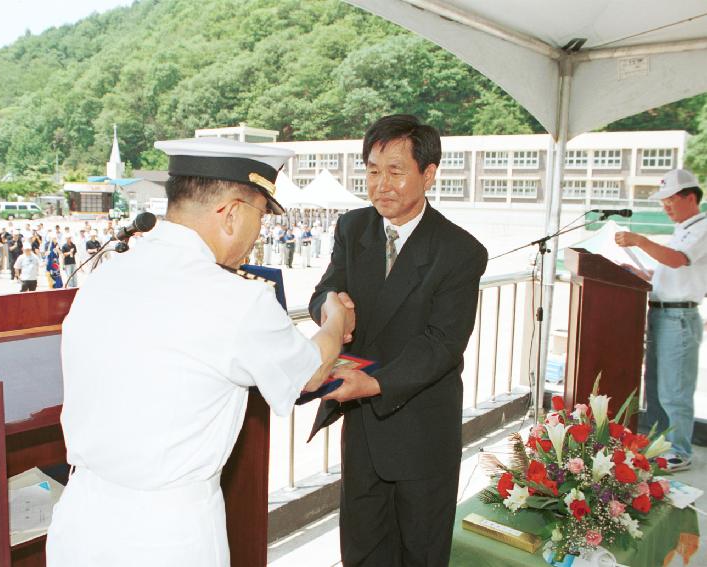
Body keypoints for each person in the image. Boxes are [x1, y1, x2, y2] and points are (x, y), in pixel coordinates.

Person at [46, 137, 355, 566]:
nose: (257, 234)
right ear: (230, 213)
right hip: (166, 535)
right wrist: (336, 320)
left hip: (81, 520)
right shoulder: (237, 301)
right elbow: (310, 371)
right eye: (261, 217)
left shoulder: (104, 274)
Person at [308, 115, 487, 567]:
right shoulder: (353, 228)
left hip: (420, 425)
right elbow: (324, 293)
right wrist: (331, 308)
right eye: (371, 171)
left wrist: (375, 384)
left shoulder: (459, 250)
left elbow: (443, 343)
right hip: (364, 425)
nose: (380, 184)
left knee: (419, 551)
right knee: (363, 548)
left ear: (428, 174)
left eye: (395, 171)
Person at [614, 168, 706, 472]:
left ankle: (679, 450)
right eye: (662, 202)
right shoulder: (682, 228)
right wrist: (642, 273)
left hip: (679, 317)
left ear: (690, 197)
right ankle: (659, 444)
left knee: (674, 389)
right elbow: (669, 271)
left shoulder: (702, 227)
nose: (665, 207)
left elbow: (677, 259)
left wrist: (640, 240)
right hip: (662, 312)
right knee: (654, 385)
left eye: (670, 201)